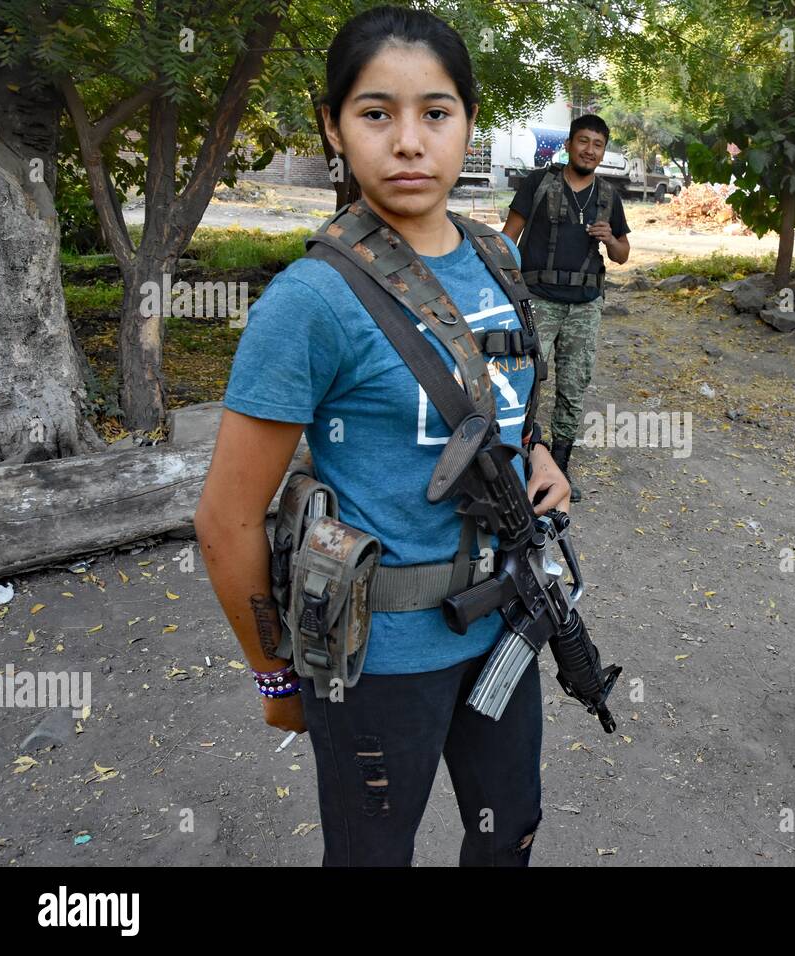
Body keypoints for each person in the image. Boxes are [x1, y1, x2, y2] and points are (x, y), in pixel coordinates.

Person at [194, 5, 572, 867]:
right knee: (372, 854)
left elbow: (512, 396)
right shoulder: (311, 301)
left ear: (468, 122)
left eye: (435, 114)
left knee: (509, 829)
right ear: (333, 127)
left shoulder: (496, 259)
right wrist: (274, 675)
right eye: (376, 113)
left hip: (506, 624)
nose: (409, 142)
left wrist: (540, 452)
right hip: (375, 660)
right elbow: (224, 521)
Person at [503, 114, 631, 501]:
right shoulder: (539, 183)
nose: (590, 150)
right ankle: (518, 459)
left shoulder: (609, 196)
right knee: (524, 381)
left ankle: (559, 466)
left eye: (598, 145)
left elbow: (623, 255)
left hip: (585, 306)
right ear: (569, 144)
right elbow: (508, 239)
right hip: (538, 300)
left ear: (603, 151)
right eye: (584, 141)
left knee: (573, 387)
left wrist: (610, 238)